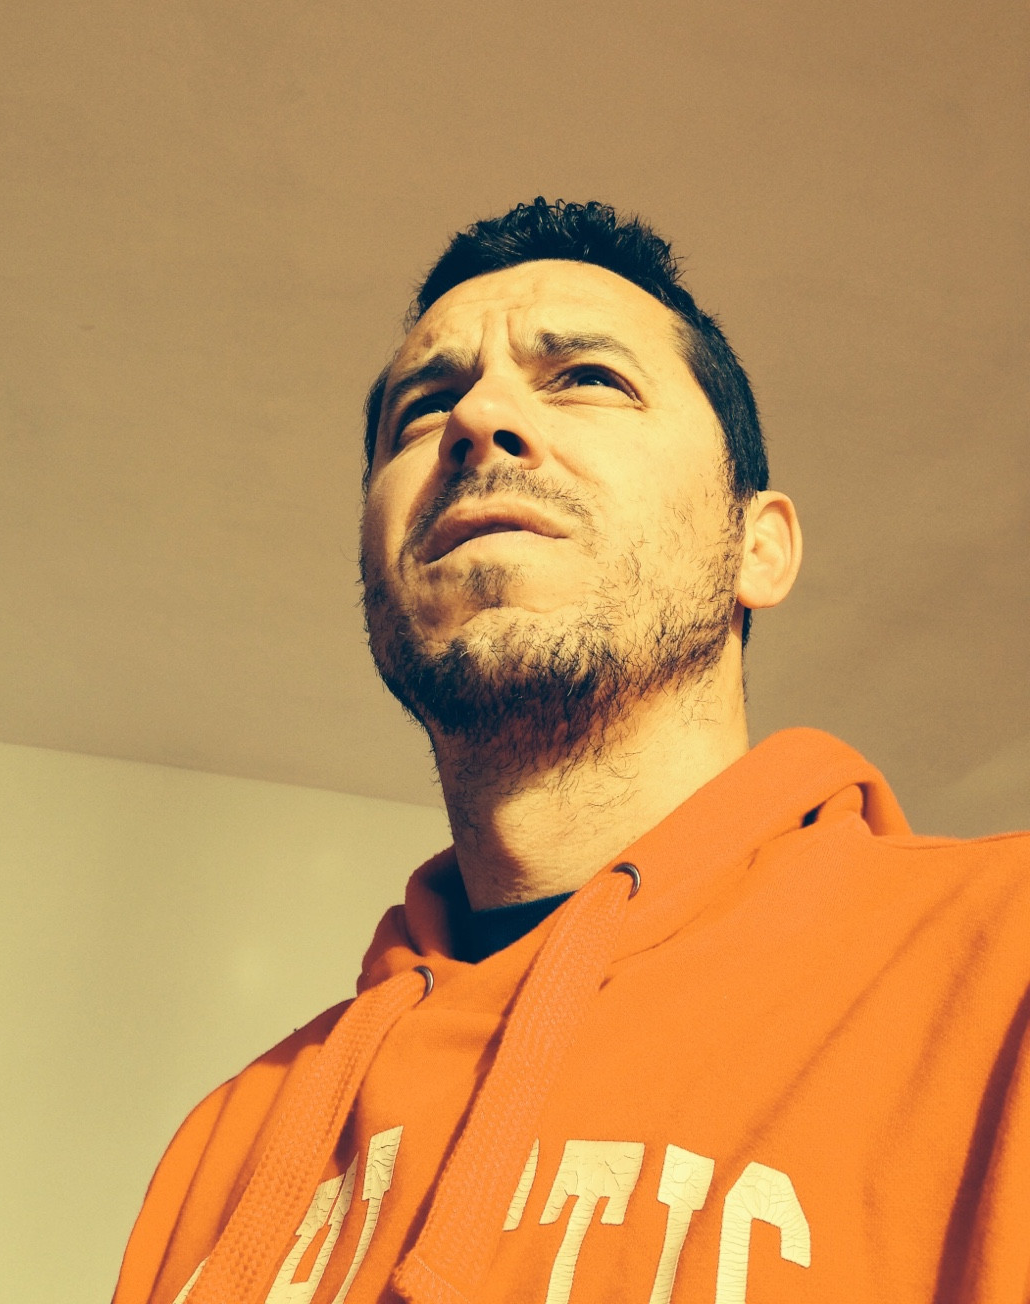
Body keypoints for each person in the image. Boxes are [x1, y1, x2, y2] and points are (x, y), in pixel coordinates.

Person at [111, 199, 1030, 1304]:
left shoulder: (1004, 969)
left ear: (759, 545)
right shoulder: (223, 1148)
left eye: (587, 378)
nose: (478, 417)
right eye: (423, 407)